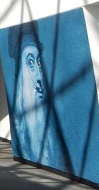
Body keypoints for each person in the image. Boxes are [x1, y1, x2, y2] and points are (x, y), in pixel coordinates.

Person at [8, 22, 71, 172]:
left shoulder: (55, 138)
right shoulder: (18, 132)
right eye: (30, 63)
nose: (38, 77)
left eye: (38, 63)